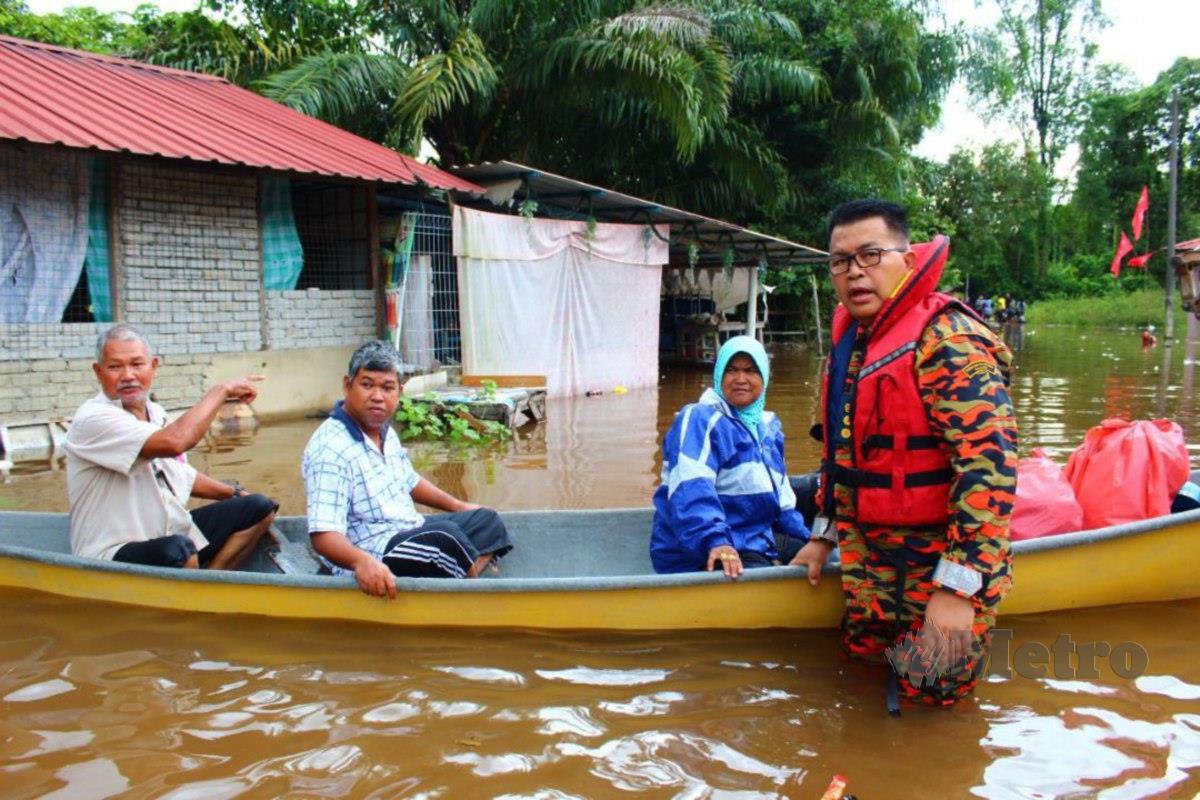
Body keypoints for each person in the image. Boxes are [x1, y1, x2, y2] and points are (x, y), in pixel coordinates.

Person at [795, 200, 1018, 708]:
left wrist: (958, 590)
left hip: (937, 571)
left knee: (931, 710)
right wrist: (823, 536)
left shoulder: (950, 342)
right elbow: (843, 455)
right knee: (863, 690)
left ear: (909, 261)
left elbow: (991, 475)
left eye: (870, 255)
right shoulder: (853, 341)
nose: (854, 272)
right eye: (840, 260)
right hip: (869, 571)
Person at [302, 340, 512, 598]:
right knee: (444, 541)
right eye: (367, 385)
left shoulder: (382, 430)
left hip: (407, 528)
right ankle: (469, 595)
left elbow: (408, 481)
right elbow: (323, 535)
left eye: (387, 388)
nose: (377, 396)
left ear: (399, 392)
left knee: (486, 519)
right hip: (372, 550)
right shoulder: (330, 449)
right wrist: (361, 563)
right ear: (348, 385)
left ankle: (456, 583)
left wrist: (459, 506)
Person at [65, 324, 277, 569]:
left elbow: (179, 474)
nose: (127, 375)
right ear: (98, 371)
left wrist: (234, 494)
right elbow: (177, 442)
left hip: (165, 534)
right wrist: (221, 390)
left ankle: (210, 584)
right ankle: (198, 599)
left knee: (259, 507)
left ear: (153, 366)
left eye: (137, 364)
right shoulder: (93, 418)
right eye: (115, 366)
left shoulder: (156, 414)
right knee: (179, 548)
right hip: (112, 551)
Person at [650, 335, 813, 578]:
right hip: (702, 547)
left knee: (816, 547)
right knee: (759, 580)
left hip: (751, 536)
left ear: (764, 378)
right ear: (719, 376)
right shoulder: (700, 419)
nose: (740, 379)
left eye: (750, 371)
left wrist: (807, 539)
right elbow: (691, 489)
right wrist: (717, 541)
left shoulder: (766, 427)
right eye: (732, 370)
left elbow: (783, 499)